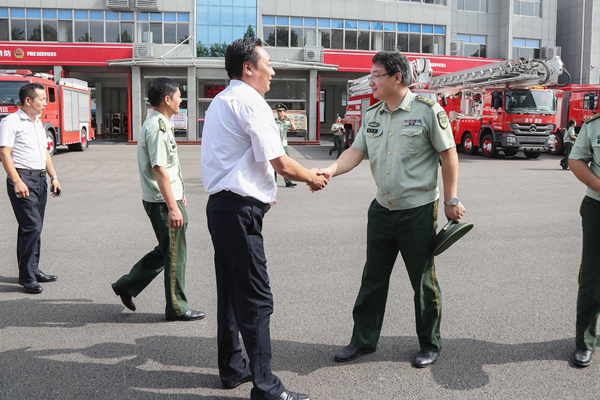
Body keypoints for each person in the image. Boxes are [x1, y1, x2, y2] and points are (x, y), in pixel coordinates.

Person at [318, 51, 466, 368]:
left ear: (396, 77)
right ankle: (363, 340)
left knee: (422, 281)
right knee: (373, 277)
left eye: (376, 75)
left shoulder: (428, 111)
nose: (370, 81)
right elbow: (355, 152)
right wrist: (330, 169)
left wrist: (451, 199)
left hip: (418, 211)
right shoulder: (373, 115)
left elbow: (449, 155)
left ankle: (429, 343)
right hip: (382, 210)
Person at [202, 37, 326, 400]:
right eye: (268, 63)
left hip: (222, 209)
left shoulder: (221, 102)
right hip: (239, 213)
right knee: (257, 299)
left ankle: (233, 368)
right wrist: (312, 177)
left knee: (230, 292)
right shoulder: (250, 102)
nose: (273, 70)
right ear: (249, 68)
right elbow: (280, 162)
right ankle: (267, 387)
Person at [111, 77, 204, 322]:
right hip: (163, 202)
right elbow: (160, 169)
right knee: (175, 254)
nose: (180, 100)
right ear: (167, 99)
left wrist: (178, 196)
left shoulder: (159, 123)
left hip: (165, 199)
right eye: (178, 96)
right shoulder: (158, 127)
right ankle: (177, 307)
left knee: (167, 250)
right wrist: (173, 206)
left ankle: (126, 285)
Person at [0, 83, 61, 294]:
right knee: (32, 227)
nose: (45, 102)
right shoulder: (11, 122)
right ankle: (26, 277)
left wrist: (54, 177)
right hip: (23, 178)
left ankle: (33, 270)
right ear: (29, 100)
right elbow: (5, 154)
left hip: (40, 179)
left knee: (34, 227)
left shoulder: (37, 123)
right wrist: (16, 181)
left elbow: (45, 154)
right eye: (42, 99)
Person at [568, 112, 600, 367]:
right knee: (592, 275)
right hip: (598, 206)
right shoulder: (593, 126)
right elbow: (576, 160)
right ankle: (585, 341)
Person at [274, 103, 297, 187]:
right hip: (275, 146)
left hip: (283, 145)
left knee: (286, 164)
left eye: (282, 111)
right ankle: (273, 182)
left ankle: (288, 181)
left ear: (284, 112)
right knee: (274, 164)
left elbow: (294, 128)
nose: (280, 113)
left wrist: (290, 119)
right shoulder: (274, 122)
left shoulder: (286, 122)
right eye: (278, 111)